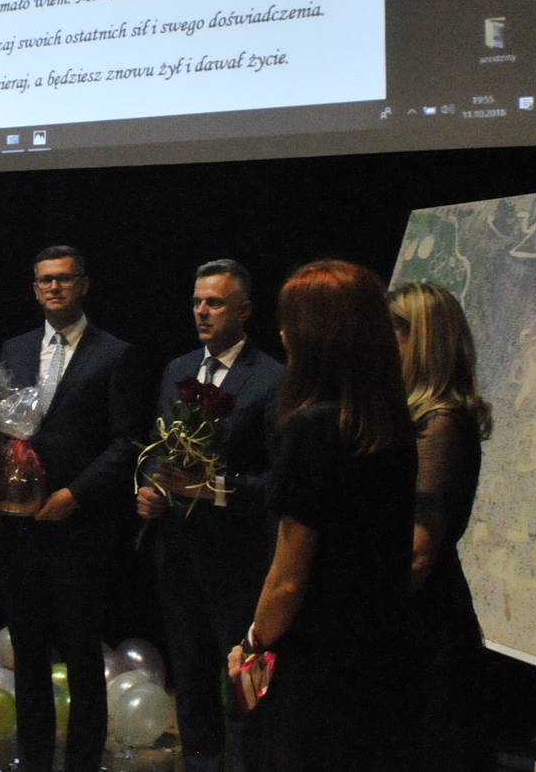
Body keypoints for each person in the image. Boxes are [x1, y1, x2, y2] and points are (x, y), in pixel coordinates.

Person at [227, 260, 416, 772]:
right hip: (377, 652)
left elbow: (289, 577)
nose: (283, 334)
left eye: (292, 322)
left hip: (312, 664)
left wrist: (252, 644)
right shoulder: (391, 425)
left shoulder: (313, 428)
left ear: (319, 337)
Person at [0, 246, 141, 772]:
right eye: (45, 280)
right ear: (35, 289)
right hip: (20, 529)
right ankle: (33, 758)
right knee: (28, 654)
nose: (54, 287)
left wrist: (74, 495)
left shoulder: (116, 354)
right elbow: (1, 426)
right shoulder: (15, 348)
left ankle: (82, 761)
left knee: (82, 656)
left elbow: (125, 443)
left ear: (84, 285)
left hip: (80, 529)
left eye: (64, 279)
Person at [136, 260, 283, 772]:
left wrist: (213, 489)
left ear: (244, 311)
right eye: (198, 301)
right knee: (191, 679)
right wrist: (150, 486)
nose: (202, 311)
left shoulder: (272, 378)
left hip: (238, 561)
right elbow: (159, 450)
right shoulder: (177, 369)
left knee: (243, 687)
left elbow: (279, 483)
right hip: (178, 554)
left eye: (215, 303)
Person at [386, 282, 494, 772]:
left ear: (421, 339)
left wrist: (366, 624)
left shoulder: (441, 422)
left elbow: (418, 552)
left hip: (423, 627)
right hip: (413, 618)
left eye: (389, 331)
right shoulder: (411, 416)